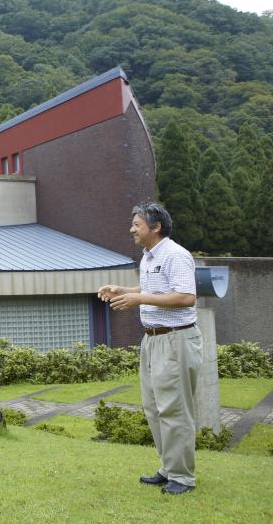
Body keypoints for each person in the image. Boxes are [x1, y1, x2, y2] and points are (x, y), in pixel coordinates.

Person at [98, 202, 201, 495]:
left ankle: (182, 477)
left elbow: (185, 297)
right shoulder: (147, 257)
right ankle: (169, 468)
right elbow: (154, 292)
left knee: (174, 408)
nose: (132, 229)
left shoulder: (176, 255)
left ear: (155, 228)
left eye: (137, 224)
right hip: (153, 340)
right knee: (154, 407)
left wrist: (139, 299)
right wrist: (123, 290)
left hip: (175, 339)